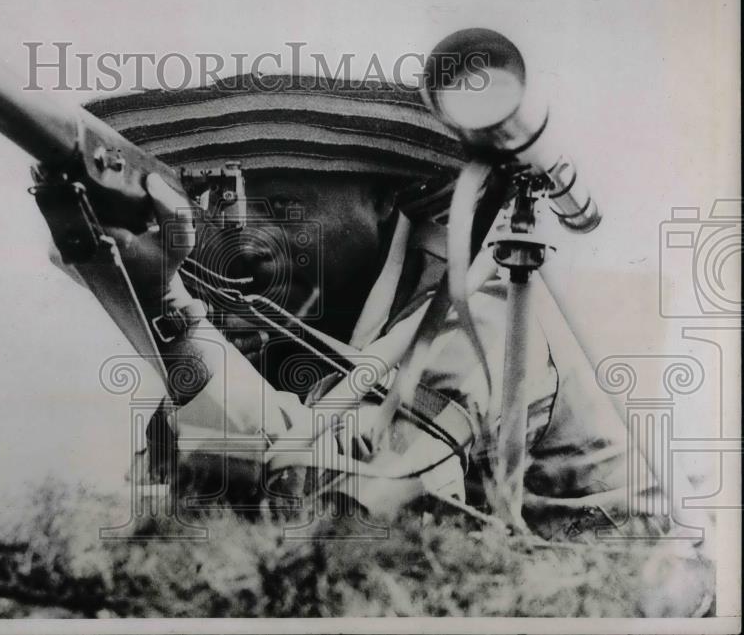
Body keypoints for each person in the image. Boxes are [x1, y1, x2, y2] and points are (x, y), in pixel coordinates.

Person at [42, 74, 711, 613]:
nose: (244, 234)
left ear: (386, 203)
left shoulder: (478, 317)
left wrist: (161, 304)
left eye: (282, 202)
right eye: (228, 202)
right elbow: (207, 525)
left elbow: (327, 511)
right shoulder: (282, 344)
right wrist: (132, 288)